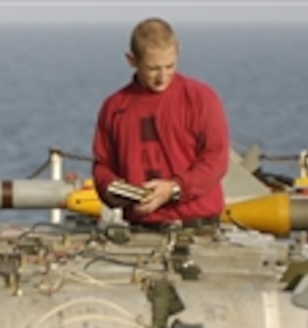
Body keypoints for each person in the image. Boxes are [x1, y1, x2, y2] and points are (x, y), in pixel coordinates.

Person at [92, 18, 229, 228]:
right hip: (141, 231)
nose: (162, 77)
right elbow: (102, 166)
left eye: (170, 66)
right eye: (153, 68)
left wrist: (174, 189)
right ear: (131, 60)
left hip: (199, 228)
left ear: (178, 51)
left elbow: (216, 158)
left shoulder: (201, 98)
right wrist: (112, 191)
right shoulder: (114, 108)